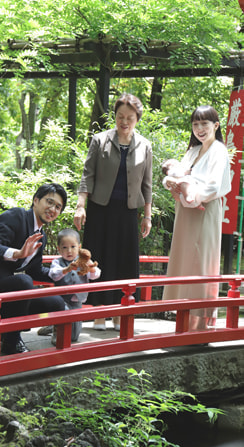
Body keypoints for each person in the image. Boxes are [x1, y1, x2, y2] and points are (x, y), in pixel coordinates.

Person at [73, 93, 152, 331]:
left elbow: (147, 184)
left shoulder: (145, 145)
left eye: (129, 117)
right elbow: (88, 175)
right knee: (99, 260)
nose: (124, 121)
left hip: (128, 212)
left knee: (124, 263)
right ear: (114, 117)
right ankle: (99, 313)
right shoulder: (99, 140)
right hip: (100, 209)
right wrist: (80, 205)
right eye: (120, 116)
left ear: (137, 118)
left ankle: (120, 314)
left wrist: (147, 215)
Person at [0, 183, 67, 355]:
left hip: (6, 293)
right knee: (23, 281)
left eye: (58, 207)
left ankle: (8, 333)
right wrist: (18, 253)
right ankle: (12, 341)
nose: (53, 209)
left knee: (56, 302)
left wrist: (66, 270)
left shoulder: (40, 237)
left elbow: (35, 271)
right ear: (36, 200)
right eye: (49, 202)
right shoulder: (15, 216)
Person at [162, 105, 231, 331]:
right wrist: (174, 185)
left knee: (201, 262)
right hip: (186, 212)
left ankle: (200, 325)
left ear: (215, 125)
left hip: (204, 210)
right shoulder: (192, 151)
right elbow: (176, 174)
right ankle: (181, 317)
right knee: (183, 260)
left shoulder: (219, 150)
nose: (200, 129)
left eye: (204, 124)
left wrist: (193, 195)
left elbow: (213, 186)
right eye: (195, 124)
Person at [48, 228, 101, 345]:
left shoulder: (83, 261)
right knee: (63, 316)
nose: (69, 251)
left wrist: (91, 268)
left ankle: (52, 325)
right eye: (65, 247)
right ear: (59, 249)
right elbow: (53, 275)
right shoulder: (57, 262)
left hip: (78, 299)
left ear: (79, 247)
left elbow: (95, 275)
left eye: (73, 247)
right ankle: (57, 330)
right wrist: (66, 269)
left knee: (74, 336)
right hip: (62, 299)